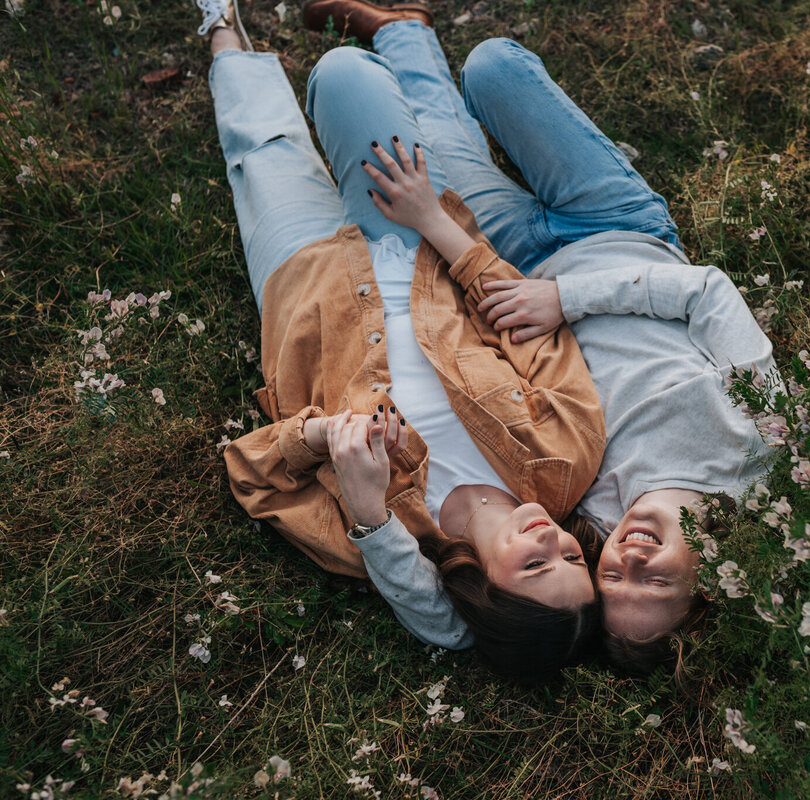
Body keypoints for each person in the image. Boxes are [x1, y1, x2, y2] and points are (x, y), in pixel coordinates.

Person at [296, 1, 778, 680]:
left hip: (506, 265)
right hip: (616, 228)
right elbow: (707, 294)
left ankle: (403, 28)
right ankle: (411, 42)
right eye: (657, 583)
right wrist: (564, 299)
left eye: (616, 584)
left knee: (432, 149)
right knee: (495, 66)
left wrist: (377, 525)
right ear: (706, 587)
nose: (630, 563)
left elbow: (456, 618)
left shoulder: (579, 516)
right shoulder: (761, 450)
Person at [197, 0, 608, 681]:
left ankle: (219, 27)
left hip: (302, 287)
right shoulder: (566, 458)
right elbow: (526, 325)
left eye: (536, 566)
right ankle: (389, 38)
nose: (553, 541)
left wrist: (327, 440)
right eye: (570, 557)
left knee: (261, 145)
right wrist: (434, 221)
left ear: (484, 588)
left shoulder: (376, 532)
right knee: (343, 73)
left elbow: (250, 470)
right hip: (410, 237)